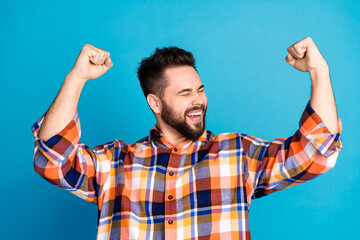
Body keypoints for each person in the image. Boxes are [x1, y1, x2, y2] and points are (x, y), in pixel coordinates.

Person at [32, 37, 342, 240]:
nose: (198, 101)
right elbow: (51, 161)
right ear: (155, 103)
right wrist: (77, 78)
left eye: (200, 90)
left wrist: (319, 71)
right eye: (185, 93)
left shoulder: (239, 154)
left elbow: (318, 155)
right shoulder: (114, 164)